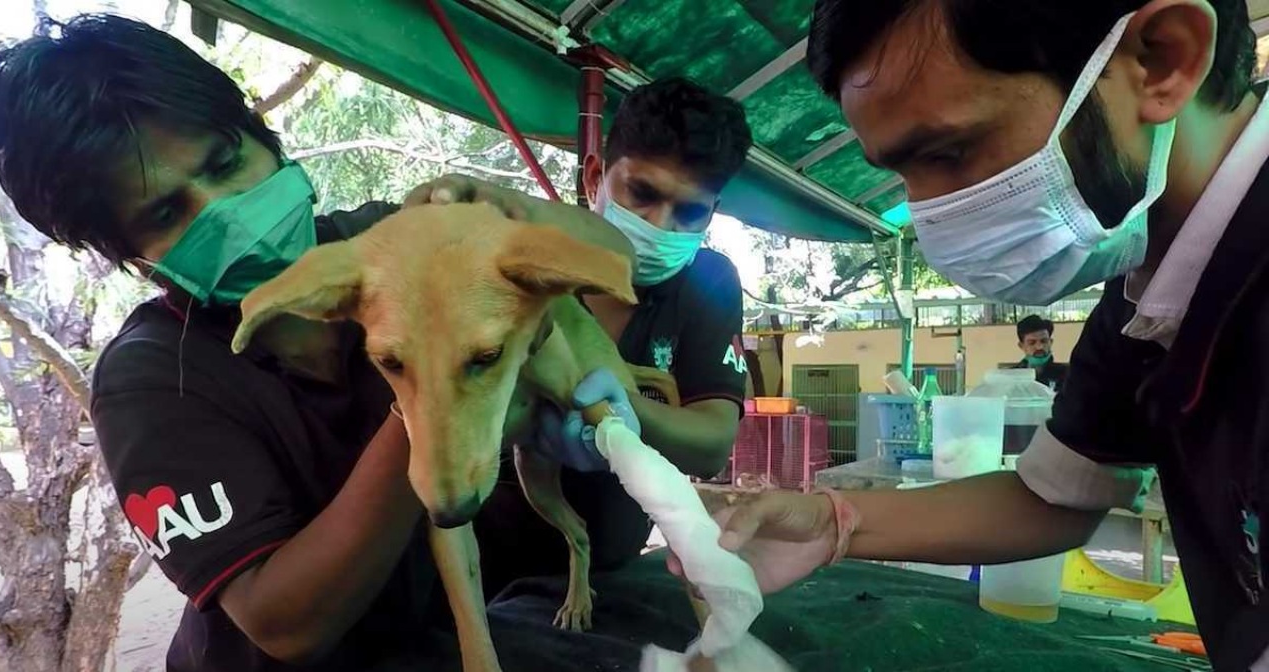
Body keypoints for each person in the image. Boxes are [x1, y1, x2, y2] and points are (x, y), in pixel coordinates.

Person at [0, 14, 638, 672]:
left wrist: (502, 208)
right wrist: (432, 382)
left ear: (264, 139)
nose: (225, 208)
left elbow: (616, 259)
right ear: (134, 259)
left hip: (435, 640)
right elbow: (285, 625)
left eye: (224, 161)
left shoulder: (388, 245)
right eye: (165, 212)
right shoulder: (153, 380)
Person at [676, 1, 1269, 669]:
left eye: (950, 152)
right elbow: (1053, 496)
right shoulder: (1144, 297)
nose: (931, 224)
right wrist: (828, 522)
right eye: (902, 175)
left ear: (1163, 58)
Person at [456, 77, 753, 599]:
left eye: (690, 212)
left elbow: (711, 444)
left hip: (608, 581)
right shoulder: (519, 264)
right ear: (595, 176)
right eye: (642, 193)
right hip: (477, 563)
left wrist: (627, 414)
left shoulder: (708, 284)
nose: (660, 225)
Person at [1012, 315, 1069, 392]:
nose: (1039, 347)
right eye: (1032, 343)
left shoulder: (1068, 374)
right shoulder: (1013, 376)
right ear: (1021, 346)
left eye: (1044, 341)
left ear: (1051, 342)